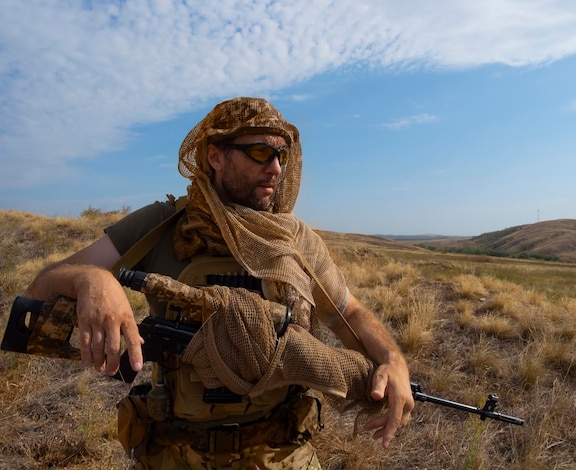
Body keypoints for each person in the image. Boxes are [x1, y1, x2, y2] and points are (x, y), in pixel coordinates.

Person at [24, 97, 415, 469]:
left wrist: (392, 360)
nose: (276, 168)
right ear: (216, 156)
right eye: (261, 152)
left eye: (281, 155)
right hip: (175, 456)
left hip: (281, 456)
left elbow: (349, 312)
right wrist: (91, 280)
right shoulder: (162, 225)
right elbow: (41, 286)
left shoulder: (291, 238)